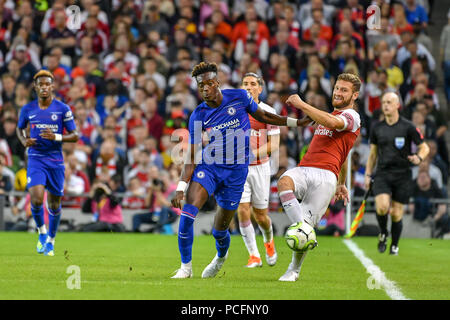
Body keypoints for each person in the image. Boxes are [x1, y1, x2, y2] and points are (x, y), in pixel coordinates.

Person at [170, 62, 310, 279]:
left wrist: (296, 122)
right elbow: (191, 154)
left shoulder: (239, 97)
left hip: (236, 173)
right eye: (200, 86)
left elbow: (265, 117)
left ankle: (220, 258)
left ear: (217, 82)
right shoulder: (198, 115)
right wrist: (181, 186)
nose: (205, 89)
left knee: (219, 231)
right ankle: (185, 268)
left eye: (208, 84)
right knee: (188, 213)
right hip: (210, 167)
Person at [276, 73, 362, 282]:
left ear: (355, 95)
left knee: (305, 224)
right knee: (284, 182)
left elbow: (332, 123)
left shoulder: (352, 117)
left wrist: (301, 104)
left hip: (325, 178)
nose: (338, 92)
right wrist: (343, 183)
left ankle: (293, 270)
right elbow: (342, 155)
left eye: (344, 90)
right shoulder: (330, 115)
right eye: (337, 88)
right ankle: (305, 230)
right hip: (306, 168)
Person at [16, 70, 79, 256]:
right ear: (35, 87)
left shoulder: (63, 109)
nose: (44, 87)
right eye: (40, 84)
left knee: (54, 204)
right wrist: (24, 141)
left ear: (52, 87)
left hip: (56, 160)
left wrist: (56, 136)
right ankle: (42, 233)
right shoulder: (27, 109)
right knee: (36, 198)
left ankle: (51, 240)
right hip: (36, 158)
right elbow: (20, 129)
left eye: (47, 84)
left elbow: (75, 135)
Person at [364, 92, 429, 256]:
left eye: (389, 102)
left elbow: (425, 147)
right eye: (384, 102)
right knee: (382, 207)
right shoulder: (377, 128)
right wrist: (367, 174)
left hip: (402, 174)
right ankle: (383, 233)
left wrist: (418, 158)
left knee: (396, 212)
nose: (385, 105)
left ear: (397, 105)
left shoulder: (408, 127)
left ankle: (394, 245)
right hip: (383, 173)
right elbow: (373, 154)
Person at [237, 72, 280, 268]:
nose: (248, 86)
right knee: (242, 210)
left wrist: (251, 154)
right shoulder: (233, 111)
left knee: (260, 215)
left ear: (260, 89)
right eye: (245, 83)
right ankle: (254, 255)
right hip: (239, 169)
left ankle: (269, 242)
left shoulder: (267, 111)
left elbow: (275, 144)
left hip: (260, 168)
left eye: (252, 84)